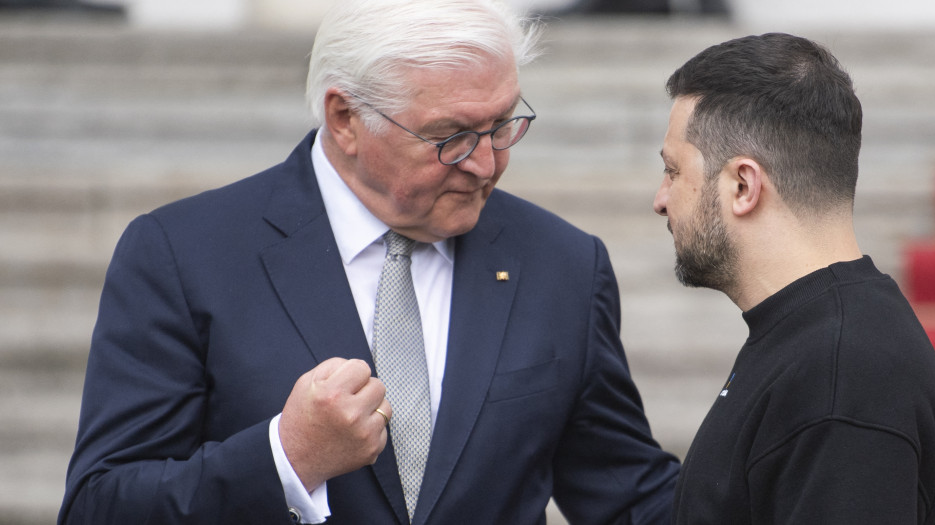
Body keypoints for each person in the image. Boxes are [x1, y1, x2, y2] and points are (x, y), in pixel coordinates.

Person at [57, 1, 679, 523]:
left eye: (502, 125)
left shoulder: (562, 263)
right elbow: (100, 504)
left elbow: (627, 496)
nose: (486, 163)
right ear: (345, 118)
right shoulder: (182, 254)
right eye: (452, 137)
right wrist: (287, 458)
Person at [652, 33, 935, 524]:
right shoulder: (820, 342)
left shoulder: (840, 380)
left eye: (673, 171)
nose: (660, 199)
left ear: (743, 185)